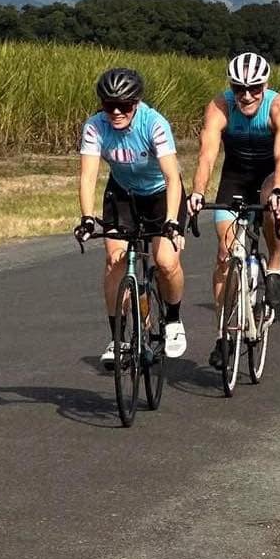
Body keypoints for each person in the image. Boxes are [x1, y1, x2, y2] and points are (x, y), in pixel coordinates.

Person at [187, 52, 280, 370]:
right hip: (235, 177)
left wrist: (279, 192)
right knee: (224, 255)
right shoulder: (219, 106)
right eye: (239, 88)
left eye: (254, 88)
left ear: (265, 86)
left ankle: (274, 268)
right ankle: (223, 334)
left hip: (271, 176)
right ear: (231, 87)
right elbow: (207, 156)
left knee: (271, 203)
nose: (246, 96)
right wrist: (198, 192)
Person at [74, 67, 188, 366]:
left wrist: (172, 220)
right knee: (115, 261)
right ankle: (118, 339)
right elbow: (88, 177)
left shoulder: (154, 123)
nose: (115, 112)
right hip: (122, 194)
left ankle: (173, 320)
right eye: (108, 105)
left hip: (161, 195)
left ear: (136, 103)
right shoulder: (95, 126)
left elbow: (172, 177)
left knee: (165, 261)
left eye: (123, 105)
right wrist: (87, 217)